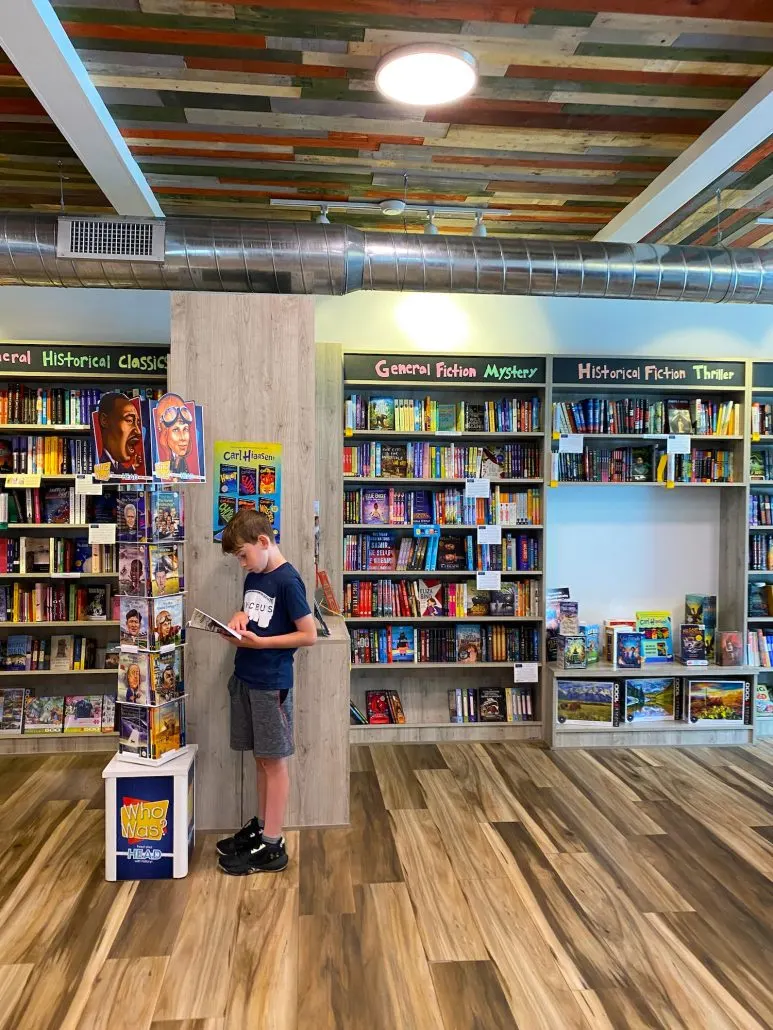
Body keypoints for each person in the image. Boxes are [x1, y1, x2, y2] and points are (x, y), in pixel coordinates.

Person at [215, 509, 316, 875]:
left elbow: (309, 635)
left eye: (243, 555)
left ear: (263, 542)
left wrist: (263, 644)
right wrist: (239, 617)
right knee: (261, 759)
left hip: (271, 682)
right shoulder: (255, 576)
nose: (242, 564)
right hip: (246, 676)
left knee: (274, 762)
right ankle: (261, 827)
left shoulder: (289, 581)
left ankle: (272, 845)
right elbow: (255, 613)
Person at [96, 393, 144, 475]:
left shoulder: (117, 463)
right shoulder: (100, 462)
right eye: (129, 420)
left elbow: (120, 475)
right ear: (104, 420)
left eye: (137, 422)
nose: (138, 431)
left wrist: (134, 466)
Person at [154, 394, 194, 476]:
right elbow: (163, 478)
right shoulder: (155, 454)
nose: (183, 438)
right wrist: (166, 457)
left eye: (185, 429)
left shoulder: (195, 455)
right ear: (162, 430)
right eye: (175, 430)